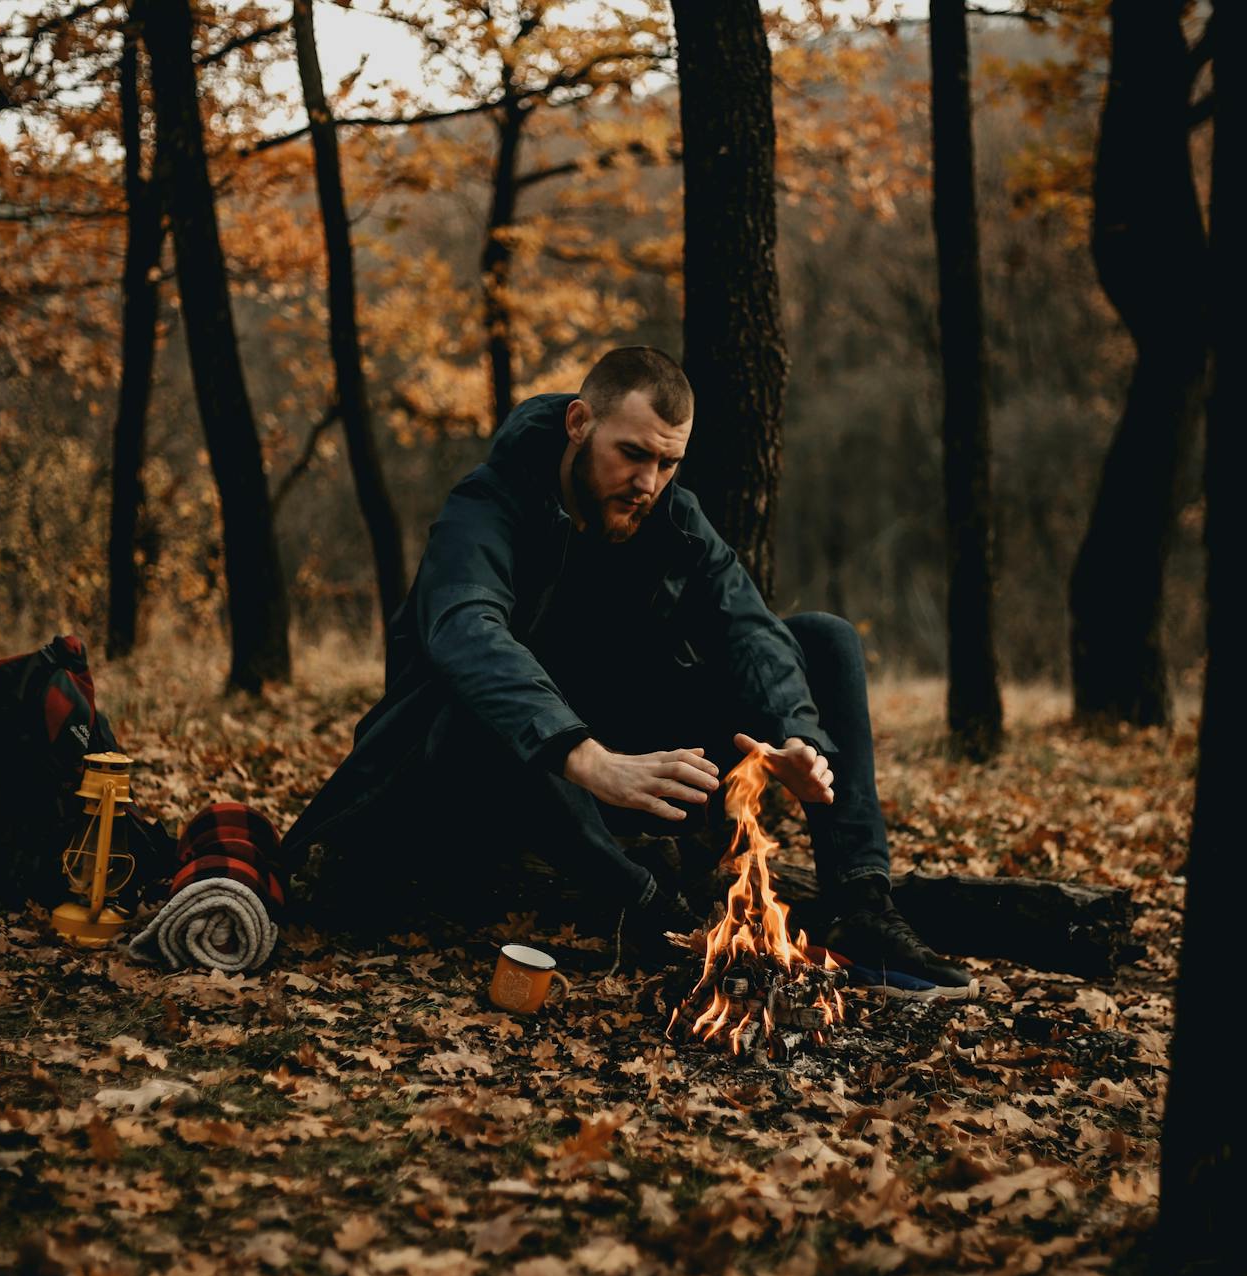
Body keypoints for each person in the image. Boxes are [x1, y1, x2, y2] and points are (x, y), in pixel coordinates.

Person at [280, 346, 971, 984]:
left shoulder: (671, 513)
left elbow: (748, 624)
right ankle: (648, 905)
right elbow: (467, 632)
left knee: (823, 638)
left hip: (633, 768)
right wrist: (582, 755)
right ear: (579, 423)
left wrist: (800, 737)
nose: (647, 482)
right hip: (490, 771)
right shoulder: (489, 505)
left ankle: (863, 905)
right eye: (632, 454)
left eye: (667, 463)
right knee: (480, 694)